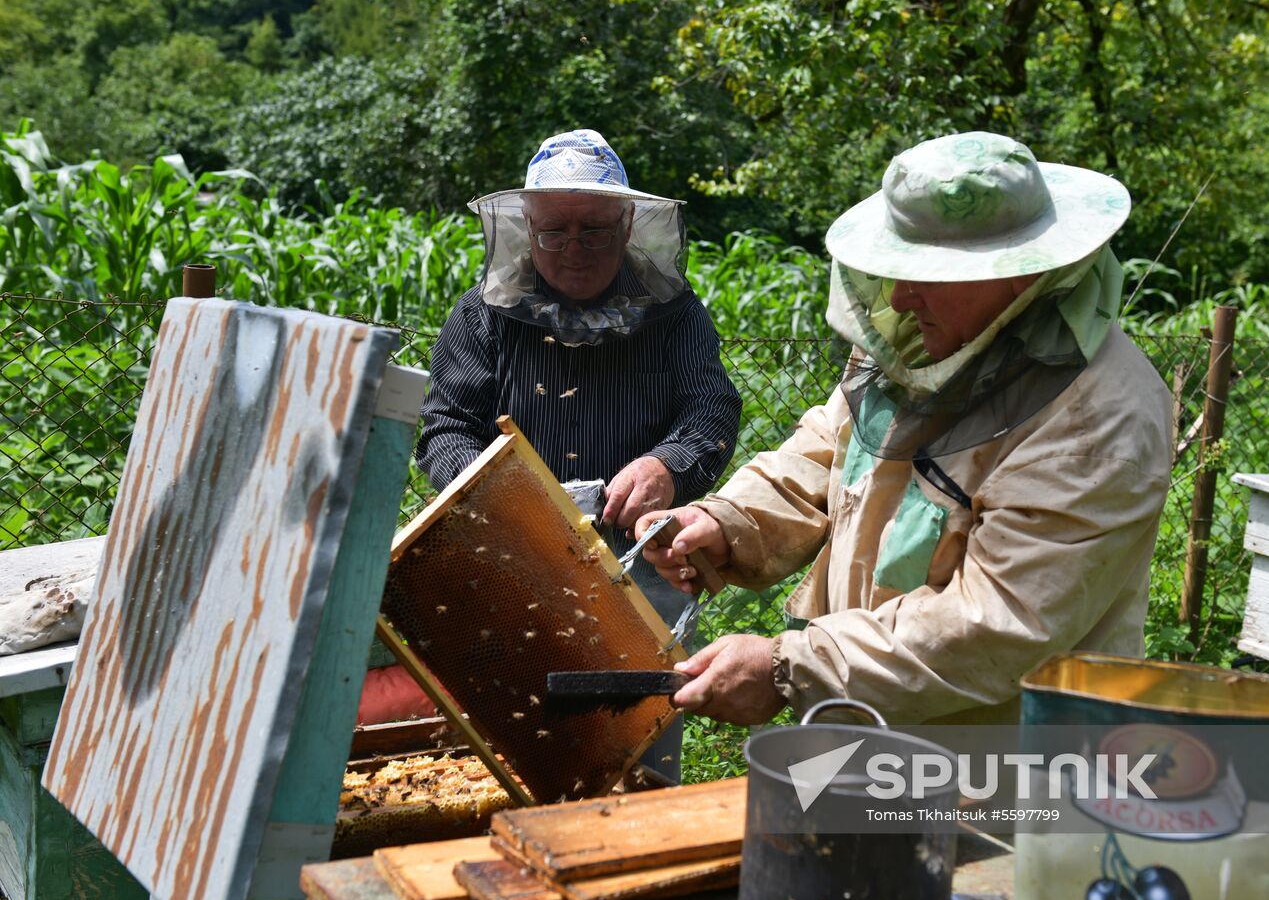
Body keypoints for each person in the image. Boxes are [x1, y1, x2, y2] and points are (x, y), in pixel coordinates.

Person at [640, 131, 1173, 727]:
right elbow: (831, 446)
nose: (898, 295)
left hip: (1000, 766)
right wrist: (728, 520)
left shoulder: (1099, 418)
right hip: (869, 722)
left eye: (930, 273)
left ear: (1024, 273)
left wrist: (792, 667)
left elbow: (1000, 623)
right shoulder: (929, 345)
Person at [361, 130, 742, 781]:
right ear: (525, 228)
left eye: (593, 229)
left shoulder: (673, 314)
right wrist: (503, 495)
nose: (574, 248)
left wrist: (667, 465)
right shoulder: (483, 317)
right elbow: (446, 429)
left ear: (626, 224)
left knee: (636, 754)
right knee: (513, 753)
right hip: (511, 564)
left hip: (635, 564)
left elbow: (711, 409)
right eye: (555, 231)